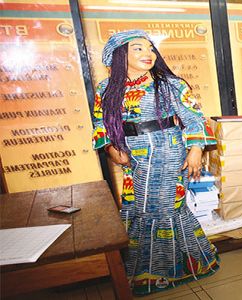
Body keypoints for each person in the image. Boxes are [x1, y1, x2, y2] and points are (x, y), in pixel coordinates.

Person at [92, 30, 218, 295]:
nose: (147, 54)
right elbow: (99, 123)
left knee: (164, 209)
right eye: (138, 49)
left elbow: (195, 118)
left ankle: (166, 271)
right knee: (137, 207)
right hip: (131, 154)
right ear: (119, 56)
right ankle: (141, 269)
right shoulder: (106, 89)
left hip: (168, 150)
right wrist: (111, 149)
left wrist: (195, 150)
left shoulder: (169, 84)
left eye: (150, 48)